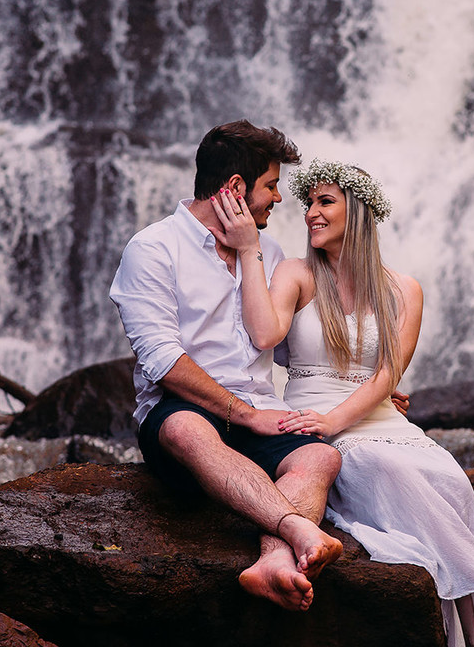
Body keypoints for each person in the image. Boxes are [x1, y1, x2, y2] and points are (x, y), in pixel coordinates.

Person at [211, 158, 474, 647]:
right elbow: (263, 333)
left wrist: (337, 416)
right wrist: (250, 250)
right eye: (308, 203)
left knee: (450, 481)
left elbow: (387, 375)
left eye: (325, 202)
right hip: (319, 420)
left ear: (357, 210)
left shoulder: (404, 289)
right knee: (392, 471)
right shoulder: (296, 273)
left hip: (374, 416)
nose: (311, 213)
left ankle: (473, 634)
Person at [108, 121, 345, 613]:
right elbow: (162, 360)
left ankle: (275, 562)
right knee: (189, 433)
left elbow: (290, 350)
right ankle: (297, 528)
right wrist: (242, 413)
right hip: (185, 410)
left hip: (258, 409)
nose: (279, 199)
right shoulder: (153, 248)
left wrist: (359, 386)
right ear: (236, 189)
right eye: (271, 186)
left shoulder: (268, 252)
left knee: (321, 458)